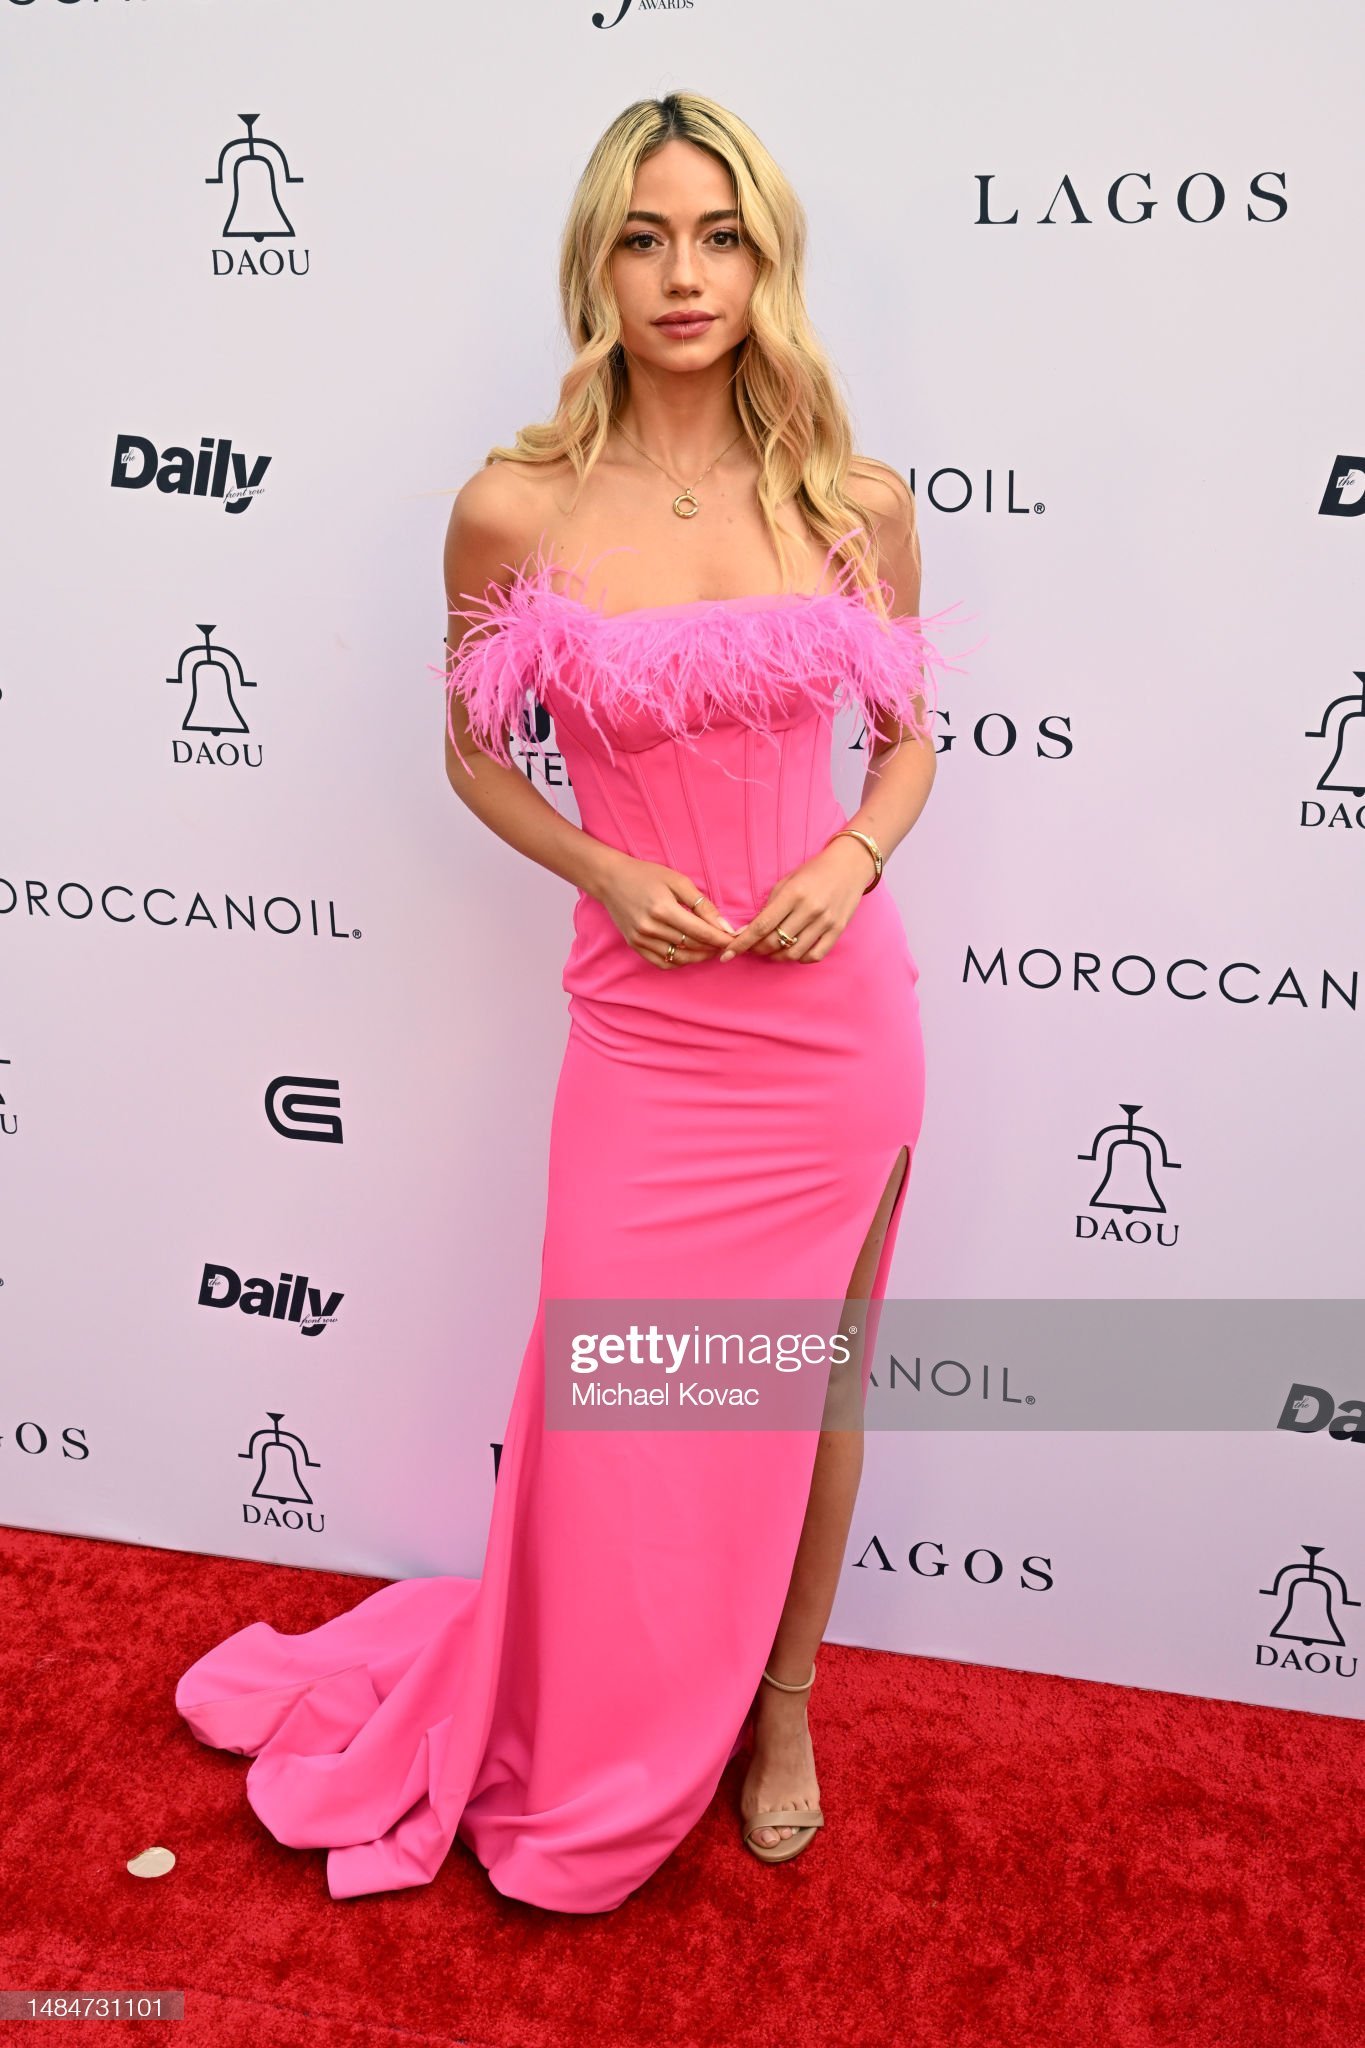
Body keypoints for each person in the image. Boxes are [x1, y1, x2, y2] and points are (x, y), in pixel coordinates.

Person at [175, 89, 963, 1914]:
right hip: (644, 1030)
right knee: (619, 1402)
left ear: (767, 263)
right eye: (643, 237)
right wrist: (604, 870)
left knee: (807, 1387)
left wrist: (853, 859)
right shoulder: (512, 506)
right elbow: (472, 757)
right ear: (593, 264)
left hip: (833, 1025)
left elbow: (911, 745)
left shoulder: (850, 501)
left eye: (720, 237)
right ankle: (597, 1708)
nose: (684, 275)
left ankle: (780, 1709)